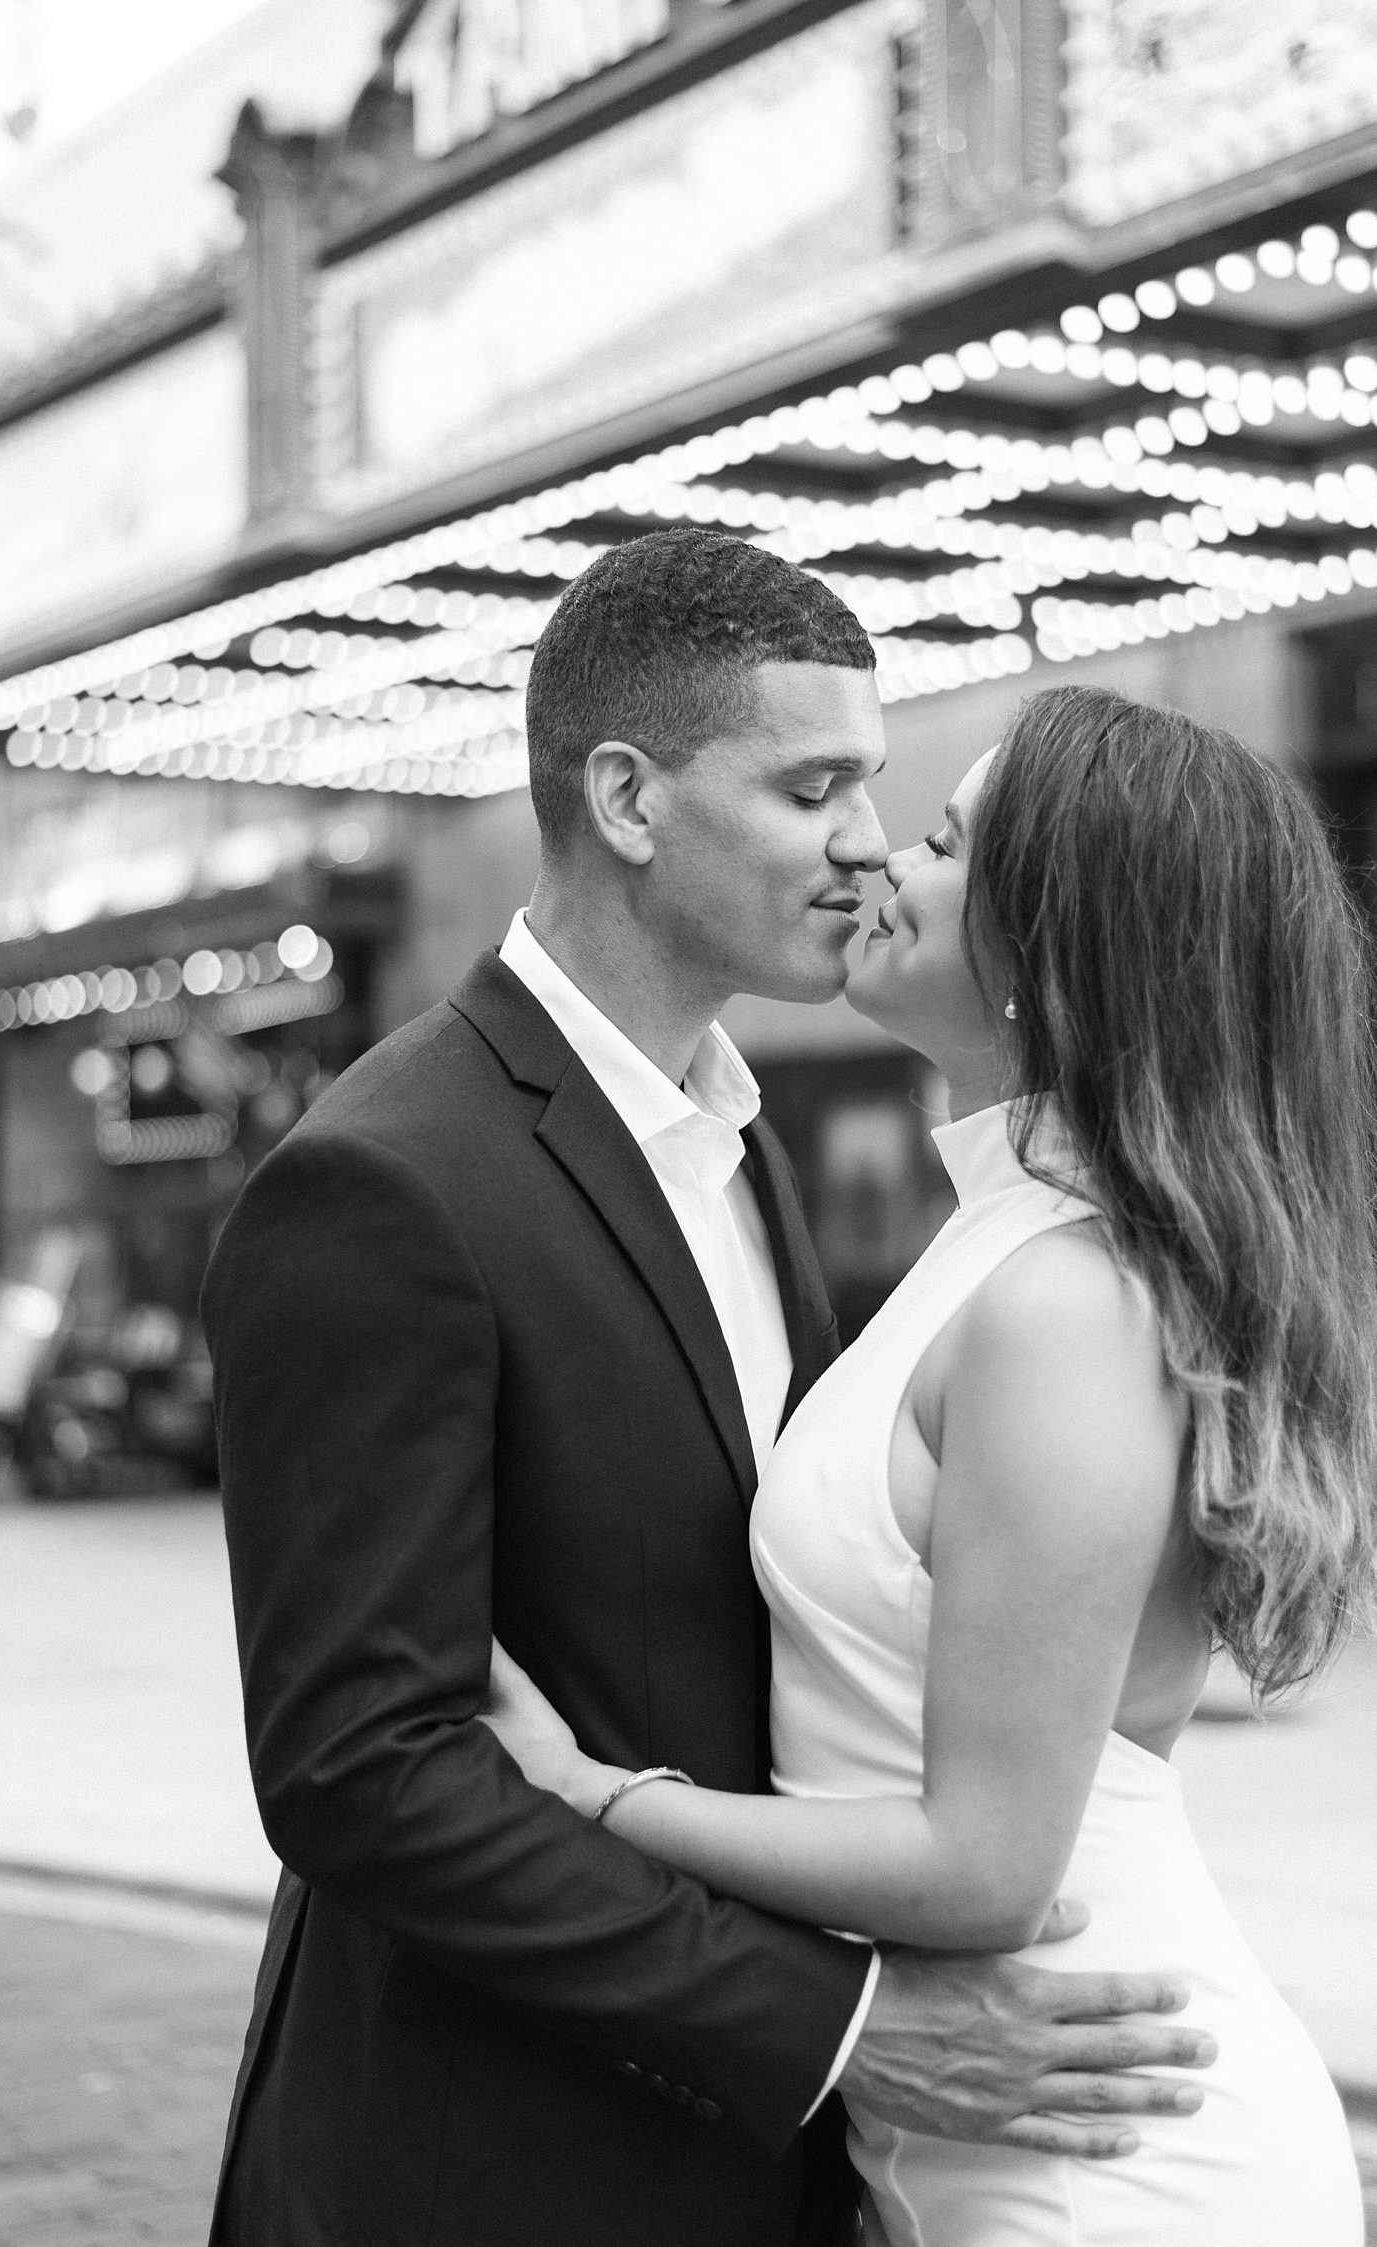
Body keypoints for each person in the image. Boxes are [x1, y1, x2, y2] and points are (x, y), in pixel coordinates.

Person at [202, 541, 1215, 2247]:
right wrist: (830, 2030)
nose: (864, 844)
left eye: (873, 788)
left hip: (756, 2167)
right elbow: (361, 1770)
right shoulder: (381, 1184)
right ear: (628, 799)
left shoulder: (739, 1146)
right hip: (483, 2166)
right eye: (812, 786)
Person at [483, 683, 1376, 2243]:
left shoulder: (1066, 1302)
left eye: (950, 841)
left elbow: (981, 1872)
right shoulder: (1007, 1244)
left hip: (1111, 2156)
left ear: (1059, 948)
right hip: (982, 2133)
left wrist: (598, 1801)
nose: (885, 856)